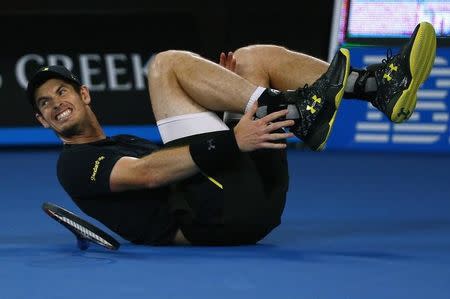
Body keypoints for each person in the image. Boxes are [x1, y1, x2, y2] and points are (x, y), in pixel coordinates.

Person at [26, 22, 436, 246]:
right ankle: (293, 110)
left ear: (83, 94)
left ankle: (377, 87)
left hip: (250, 203)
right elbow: (149, 174)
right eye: (44, 104)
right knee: (165, 66)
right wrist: (232, 139)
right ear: (44, 122)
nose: (55, 104)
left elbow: (193, 164)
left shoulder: (122, 141)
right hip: (215, 220)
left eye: (61, 92)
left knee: (251, 60)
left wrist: (225, 103)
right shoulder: (73, 165)